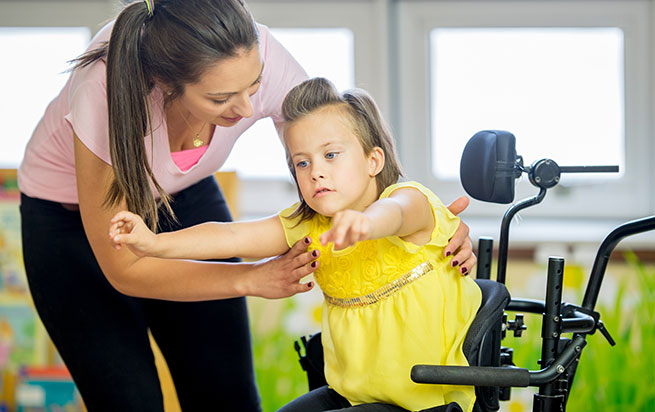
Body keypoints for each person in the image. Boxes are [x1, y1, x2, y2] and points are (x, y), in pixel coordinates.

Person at [18, 1, 476, 411]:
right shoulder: (106, 92)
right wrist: (250, 277)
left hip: (184, 193)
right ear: (168, 86)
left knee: (227, 393)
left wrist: (426, 224)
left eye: (254, 86)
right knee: (128, 399)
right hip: (67, 219)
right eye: (221, 99)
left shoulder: (256, 52)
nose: (247, 107)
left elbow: (349, 147)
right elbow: (127, 268)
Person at [108, 77, 482, 412]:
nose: (316, 170)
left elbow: (396, 213)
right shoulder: (311, 224)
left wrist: (366, 223)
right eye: (301, 163)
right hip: (355, 394)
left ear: (373, 160)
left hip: (423, 397)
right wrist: (154, 242)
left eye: (331, 155)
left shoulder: (410, 199)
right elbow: (232, 235)